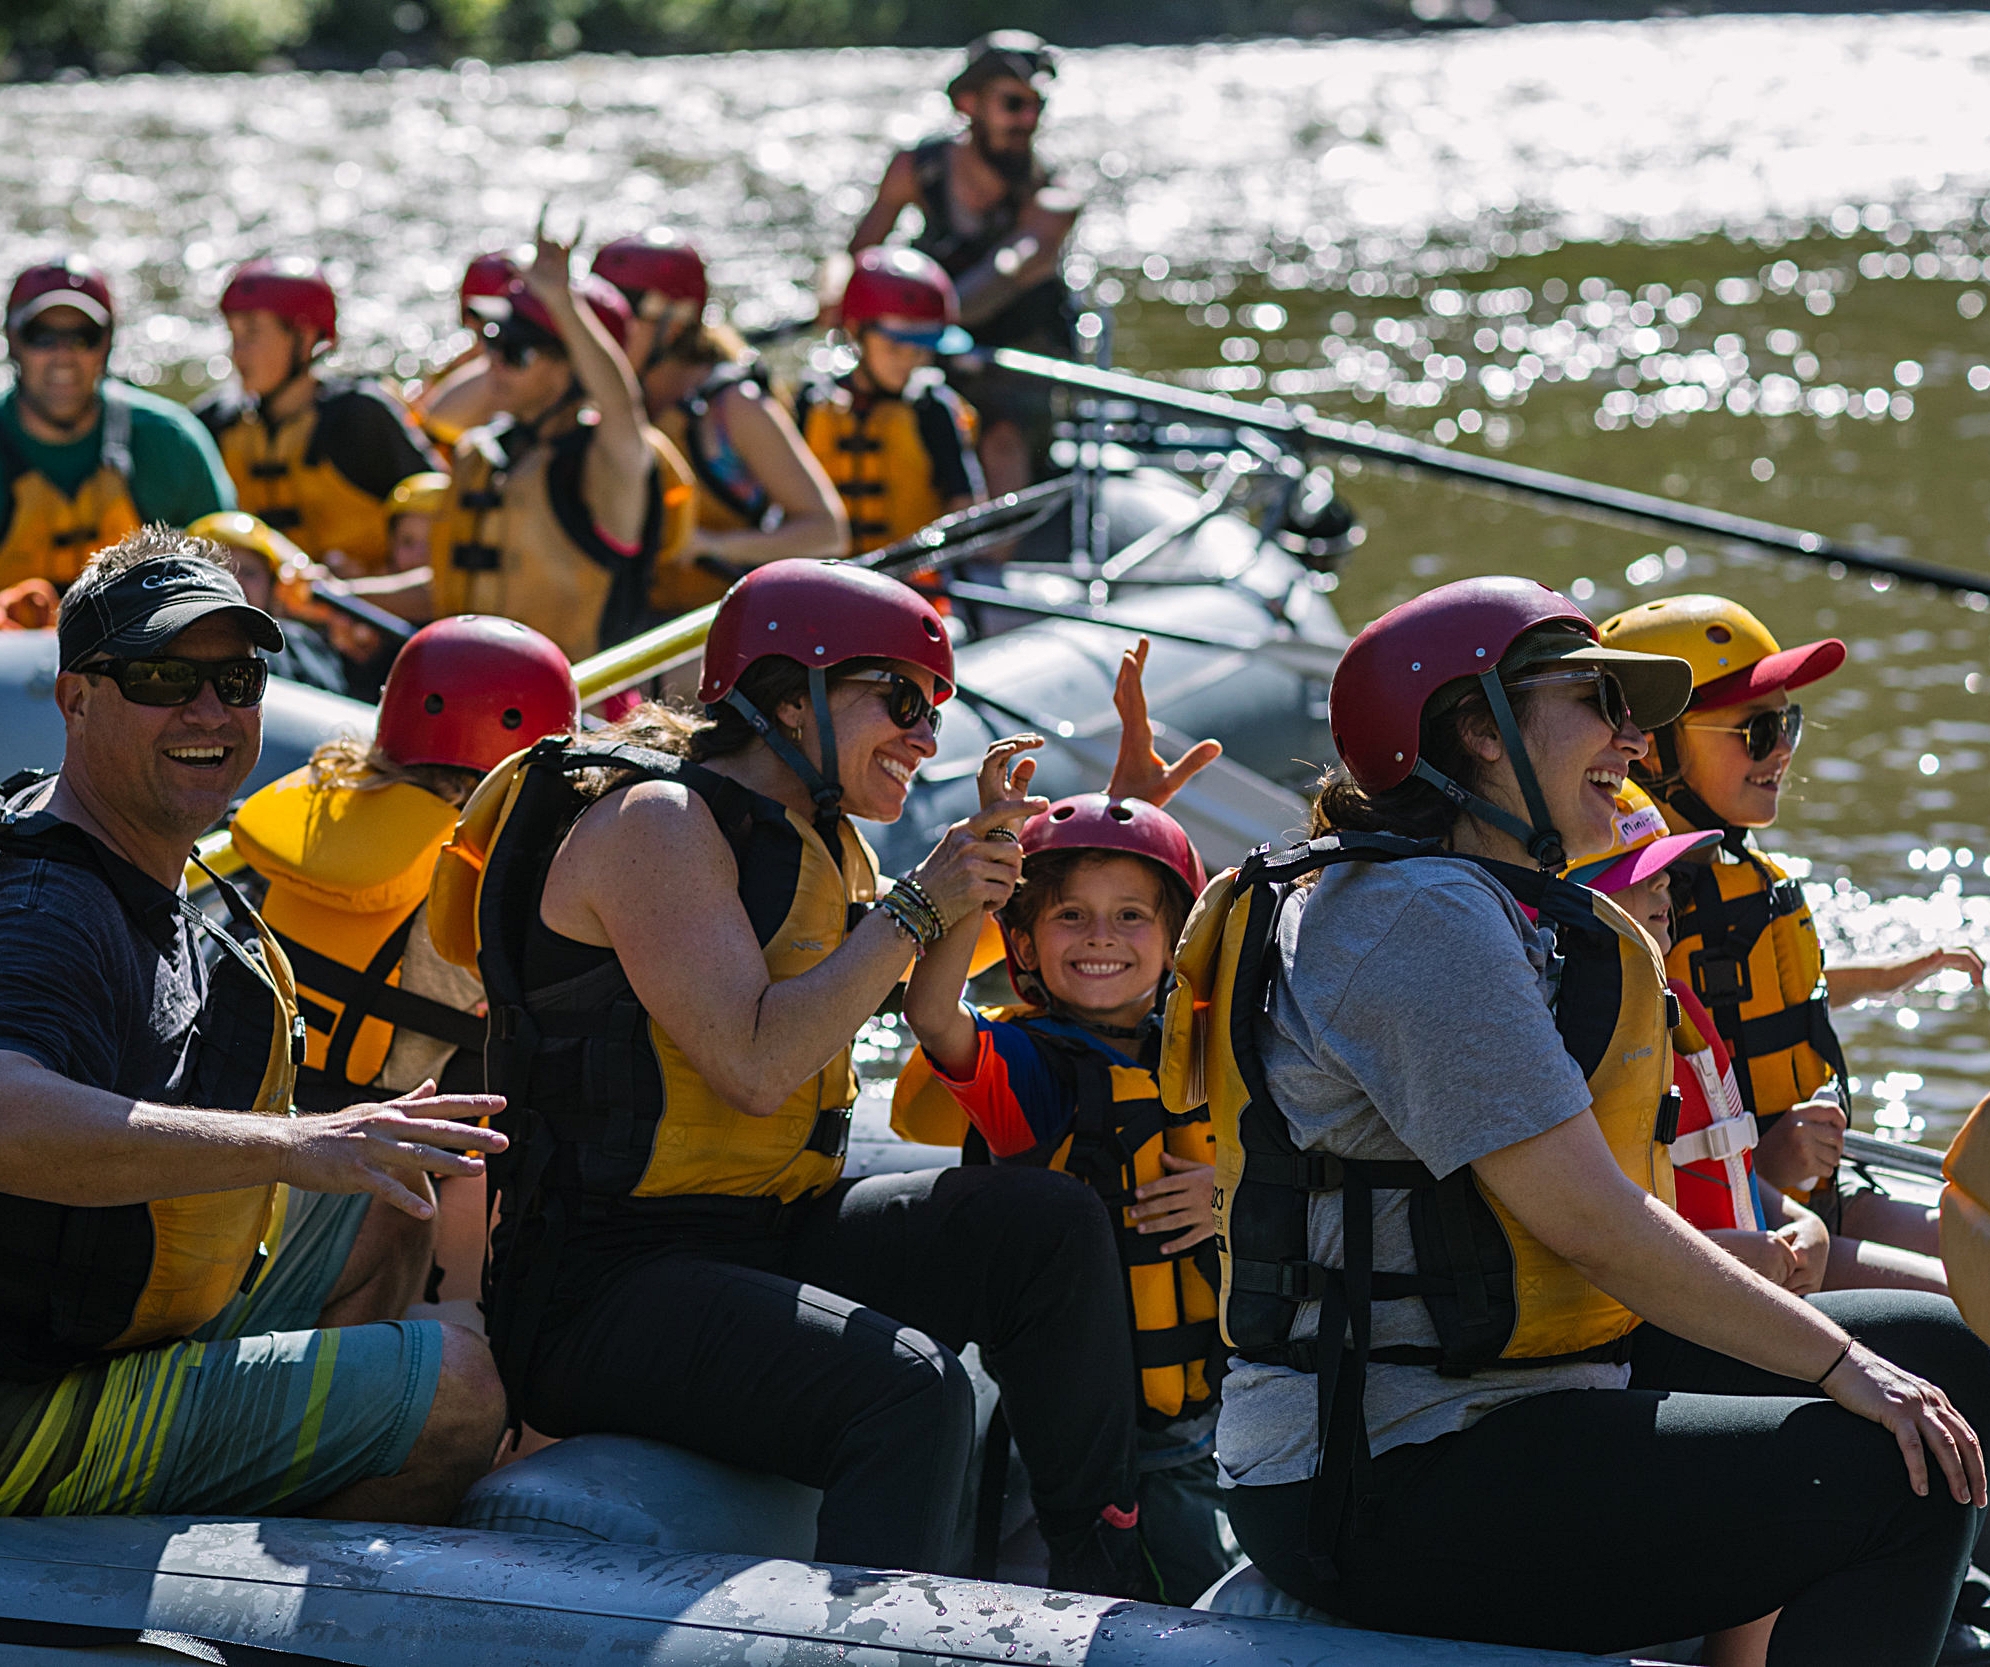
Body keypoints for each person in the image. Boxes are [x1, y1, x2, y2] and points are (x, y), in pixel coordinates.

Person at [1184, 575, 1990, 1664]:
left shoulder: (1459, 892)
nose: (1630, 735)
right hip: (1386, 1469)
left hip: (1517, 1395)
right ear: (1472, 729)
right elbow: (1591, 1219)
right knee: (1901, 1466)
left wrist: (1859, 1356)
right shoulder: (1414, 919)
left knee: (1947, 1353)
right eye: (1596, 701)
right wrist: (1846, 1365)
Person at [428, 559, 1155, 1596]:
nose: (924, 733)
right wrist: (917, 903)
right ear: (785, 694)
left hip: (764, 1229)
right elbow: (757, 1063)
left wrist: (1027, 851)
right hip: (604, 1285)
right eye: (900, 698)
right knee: (909, 1389)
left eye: (936, 707)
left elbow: (917, 992)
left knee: (1045, 1223)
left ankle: (1101, 1583)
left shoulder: (823, 841)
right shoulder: (658, 826)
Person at [0, 524, 506, 1524]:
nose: (210, 710)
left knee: (384, 1190)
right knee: (464, 1392)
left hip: (110, 1318)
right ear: (75, 696)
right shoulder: (48, 912)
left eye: (235, 679)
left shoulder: (139, 858)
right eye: (161, 675)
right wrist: (293, 1141)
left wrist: (353, 1142)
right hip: (27, 1404)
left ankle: (260, 1467)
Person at [1600, 594, 1976, 1291]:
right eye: (1758, 728)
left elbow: (1772, 986)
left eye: (1788, 723)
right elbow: (1632, 1169)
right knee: (1965, 1294)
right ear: (1652, 745)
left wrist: (1893, 973)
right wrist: (1769, 1162)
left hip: (1810, 1191)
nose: (1782, 750)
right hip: (1746, 1228)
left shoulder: (1736, 879)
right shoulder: (1630, 918)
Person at [230, 614, 579, 1306]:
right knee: (492, 1146)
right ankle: (468, 1328)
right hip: (382, 1157)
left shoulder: (325, 800)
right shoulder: (487, 871)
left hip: (257, 1112)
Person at [1563, 782, 1833, 1290]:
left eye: (1662, 868)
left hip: (1748, 1289)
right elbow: (1588, 1224)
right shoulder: (1574, 1042)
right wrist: (1723, 1254)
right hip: (1674, 1317)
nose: (1664, 881)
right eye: (1637, 874)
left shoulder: (1672, 1013)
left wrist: (1801, 1222)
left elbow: (1728, 1167)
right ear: (1574, 902)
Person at [424, 228, 695, 661]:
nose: (491, 362)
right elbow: (440, 416)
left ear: (575, 368)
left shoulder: (606, 466)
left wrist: (563, 304)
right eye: (492, 344)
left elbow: (622, 409)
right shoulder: (492, 450)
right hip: (472, 693)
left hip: (577, 711)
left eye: (515, 352)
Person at [850, 32, 1081, 496]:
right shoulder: (917, 168)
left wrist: (917, 316)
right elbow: (858, 256)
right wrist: (841, 297)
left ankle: (987, 565)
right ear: (968, 103)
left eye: (1038, 106)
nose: (1028, 120)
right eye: (1014, 104)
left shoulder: (1056, 195)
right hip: (928, 347)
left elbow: (1005, 270)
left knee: (1000, 434)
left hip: (1017, 358)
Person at [590, 230, 846, 616]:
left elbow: (828, 532)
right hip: (634, 616)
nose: (604, 334)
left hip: (713, 625)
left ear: (675, 323)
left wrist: (710, 544)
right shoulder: (601, 389)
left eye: (623, 319)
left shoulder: (734, 407)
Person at [0, 257, 233, 599]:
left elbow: (229, 577)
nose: (64, 356)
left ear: (107, 345)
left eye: (83, 337)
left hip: (141, 648)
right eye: (42, 337)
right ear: (13, 342)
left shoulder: (171, 440)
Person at [196, 258, 441, 576]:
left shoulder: (359, 417)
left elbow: (443, 523)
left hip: (370, 608)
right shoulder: (216, 423)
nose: (237, 352)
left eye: (252, 333)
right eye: (234, 335)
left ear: (305, 336)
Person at [796, 248, 986, 556]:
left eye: (920, 349)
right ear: (856, 331)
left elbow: (964, 512)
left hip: (912, 585)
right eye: (896, 347)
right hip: (828, 582)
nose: (908, 361)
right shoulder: (812, 401)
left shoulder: (933, 409)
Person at [184, 509, 351, 695]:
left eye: (249, 572)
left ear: (271, 585)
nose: (235, 582)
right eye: (221, 569)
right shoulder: (166, 644)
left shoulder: (302, 648)